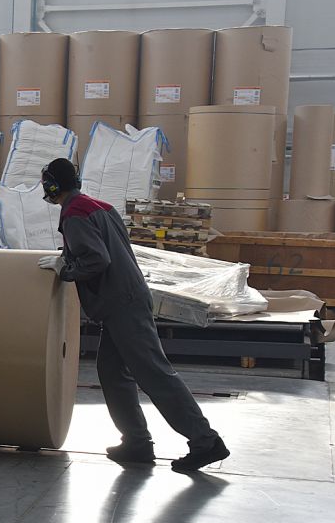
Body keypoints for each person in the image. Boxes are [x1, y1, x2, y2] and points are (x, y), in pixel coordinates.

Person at [37, 158, 229, 472]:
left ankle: (205, 441)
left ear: (52, 185)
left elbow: (97, 259)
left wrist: (66, 269)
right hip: (125, 298)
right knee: (112, 373)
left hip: (122, 304)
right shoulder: (99, 206)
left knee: (154, 373)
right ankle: (137, 442)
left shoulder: (73, 214)